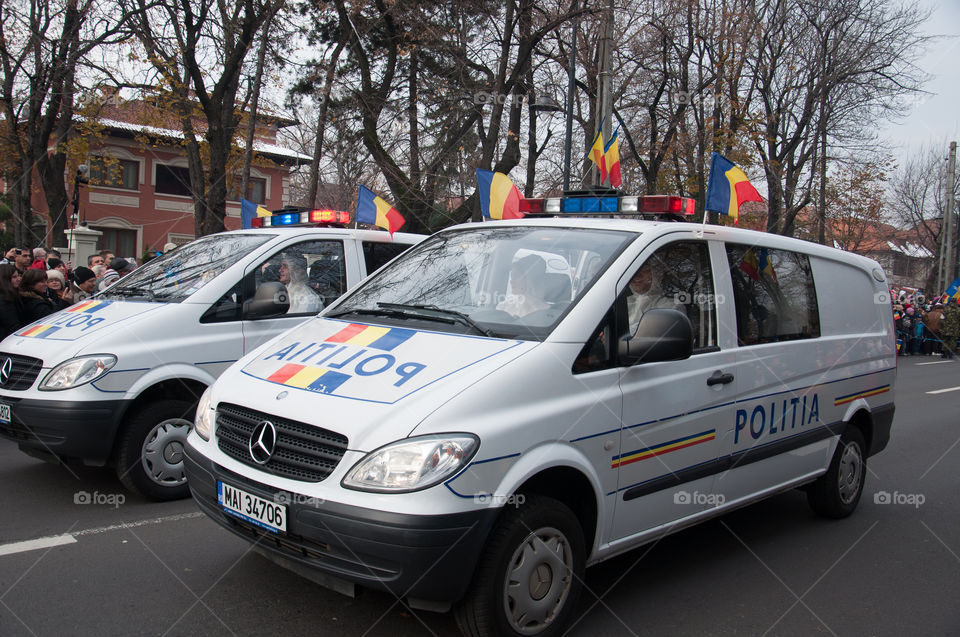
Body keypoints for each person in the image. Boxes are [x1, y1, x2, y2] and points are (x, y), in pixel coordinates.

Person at [625, 257, 683, 328]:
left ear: (656, 273)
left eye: (644, 268)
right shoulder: (623, 304)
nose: (637, 275)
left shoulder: (671, 307)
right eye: (633, 269)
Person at [0, 264, 24, 340]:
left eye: (18, 276)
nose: (18, 279)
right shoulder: (4, 300)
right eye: (14, 277)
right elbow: (12, 325)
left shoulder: (12, 295)